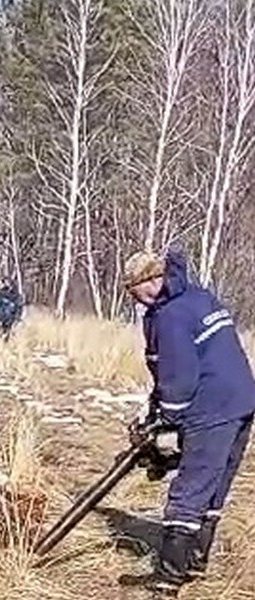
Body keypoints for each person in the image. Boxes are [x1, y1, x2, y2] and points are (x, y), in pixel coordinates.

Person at [123, 247, 255, 597]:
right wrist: (158, 413)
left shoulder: (170, 315)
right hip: (242, 399)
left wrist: (166, 416)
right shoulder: (199, 296)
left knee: (190, 488)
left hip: (211, 407)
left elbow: (179, 377)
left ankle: (168, 577)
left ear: (149, 281)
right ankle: (195, 561)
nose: (133, 299)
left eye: (132, 290)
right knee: (214, 482)